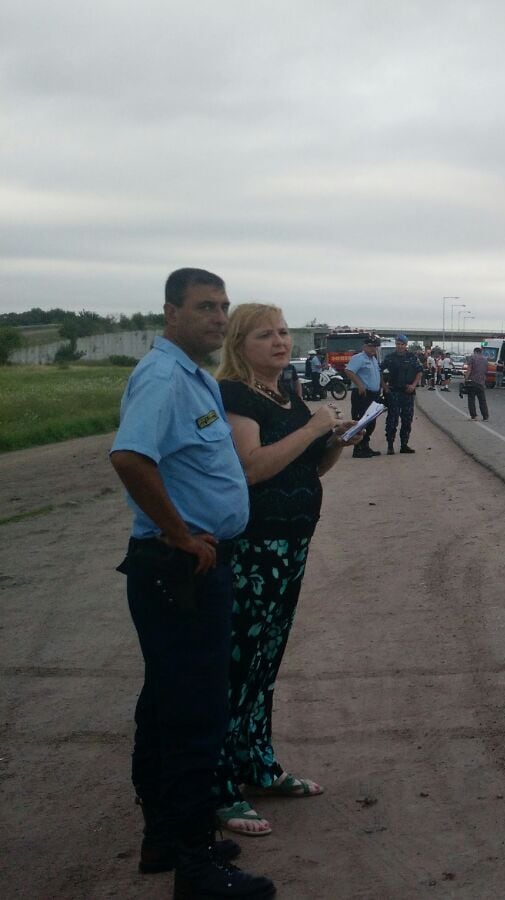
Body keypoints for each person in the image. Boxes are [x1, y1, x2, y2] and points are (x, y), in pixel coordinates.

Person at [108, 267, 275, 898]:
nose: (219, 317)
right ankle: (198, 867)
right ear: (171, 313)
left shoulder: (194, 376)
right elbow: (130, 456)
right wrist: (179, 534)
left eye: (224, 306)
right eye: (205, 306)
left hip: (191, 564)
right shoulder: (162, 377)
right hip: (181, 568)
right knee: (194, 714)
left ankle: (166, 836)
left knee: (165, 706)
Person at [211, 303, 351, 838]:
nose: (281, 342)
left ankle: (258, 763)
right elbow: (250, 468)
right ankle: (220, 785)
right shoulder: (235, 396)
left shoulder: (285, 394)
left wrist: (335, 442)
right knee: (238, 664)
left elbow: (306, 466)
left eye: (285, 332)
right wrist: (316, 424)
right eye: (265, 334)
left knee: (267, 662)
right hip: (254, 549)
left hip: (292, 544)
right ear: (240, 343)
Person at [380, 334, 425, 454]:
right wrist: (385, 387)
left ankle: (404, 445)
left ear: (406, 345)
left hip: (407, 393)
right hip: (393, 392)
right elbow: (379, 370)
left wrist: (414, 385)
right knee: (392, 420)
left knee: (407, 420)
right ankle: (390, 445)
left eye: (402, 344)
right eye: (398, 344)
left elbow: (419, 371)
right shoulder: (390, 357)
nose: (399, 346)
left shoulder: (412, 357)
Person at [344, 336, 383, 459]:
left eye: (375, 347)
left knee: (371, 422)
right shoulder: (359, 358)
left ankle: (365, 446)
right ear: (364, 346)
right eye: (371, 346)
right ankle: (358, 449)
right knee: (361, 422)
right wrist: (360, 385)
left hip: (373, 394)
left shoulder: (373, 359)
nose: (373, 349)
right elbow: (349, 371)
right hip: (362, 394)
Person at [463, 346, 489, 420]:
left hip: (472, 381)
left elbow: (469, 369)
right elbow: (486, 371)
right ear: (481, 352)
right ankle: (485, 416)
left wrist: (466, 378)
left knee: (471, 399)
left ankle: (474, 416)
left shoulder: (472, 357)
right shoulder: (485, 359)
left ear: (475, 352)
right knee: (482, 400)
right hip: (481, 382)